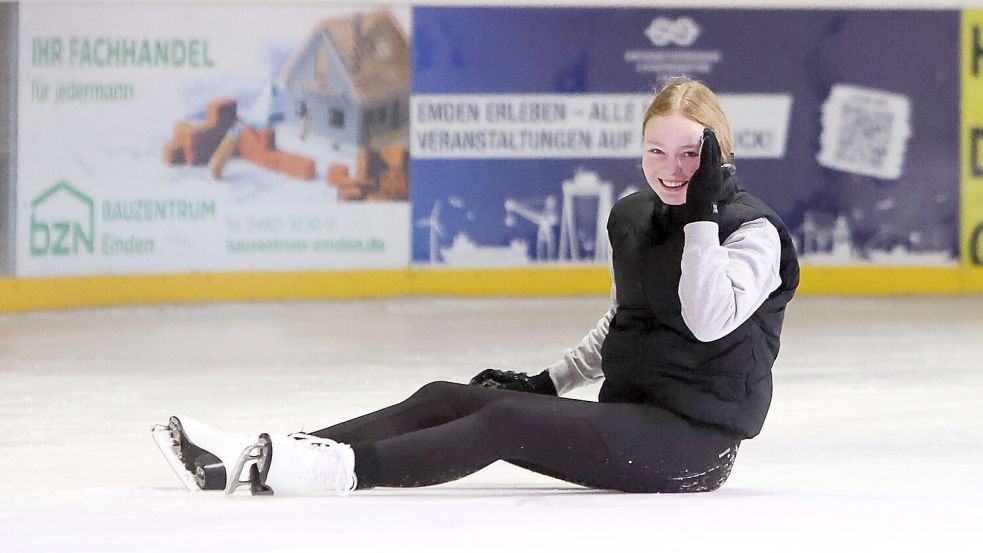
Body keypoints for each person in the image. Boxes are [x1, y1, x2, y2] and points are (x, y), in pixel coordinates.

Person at [153, 78, 799, 496]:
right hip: (629, 414)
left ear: (719, 154)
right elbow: (622, 324)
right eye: (655, 152)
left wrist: (703, 215)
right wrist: (547, 381)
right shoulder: (635, 215)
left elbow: (707, 315)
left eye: (689, 153)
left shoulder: (750, 233)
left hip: (694, 442)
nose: (671, 170)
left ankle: (341, 472)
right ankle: (281, 451)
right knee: (449, 394)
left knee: (503, 421)